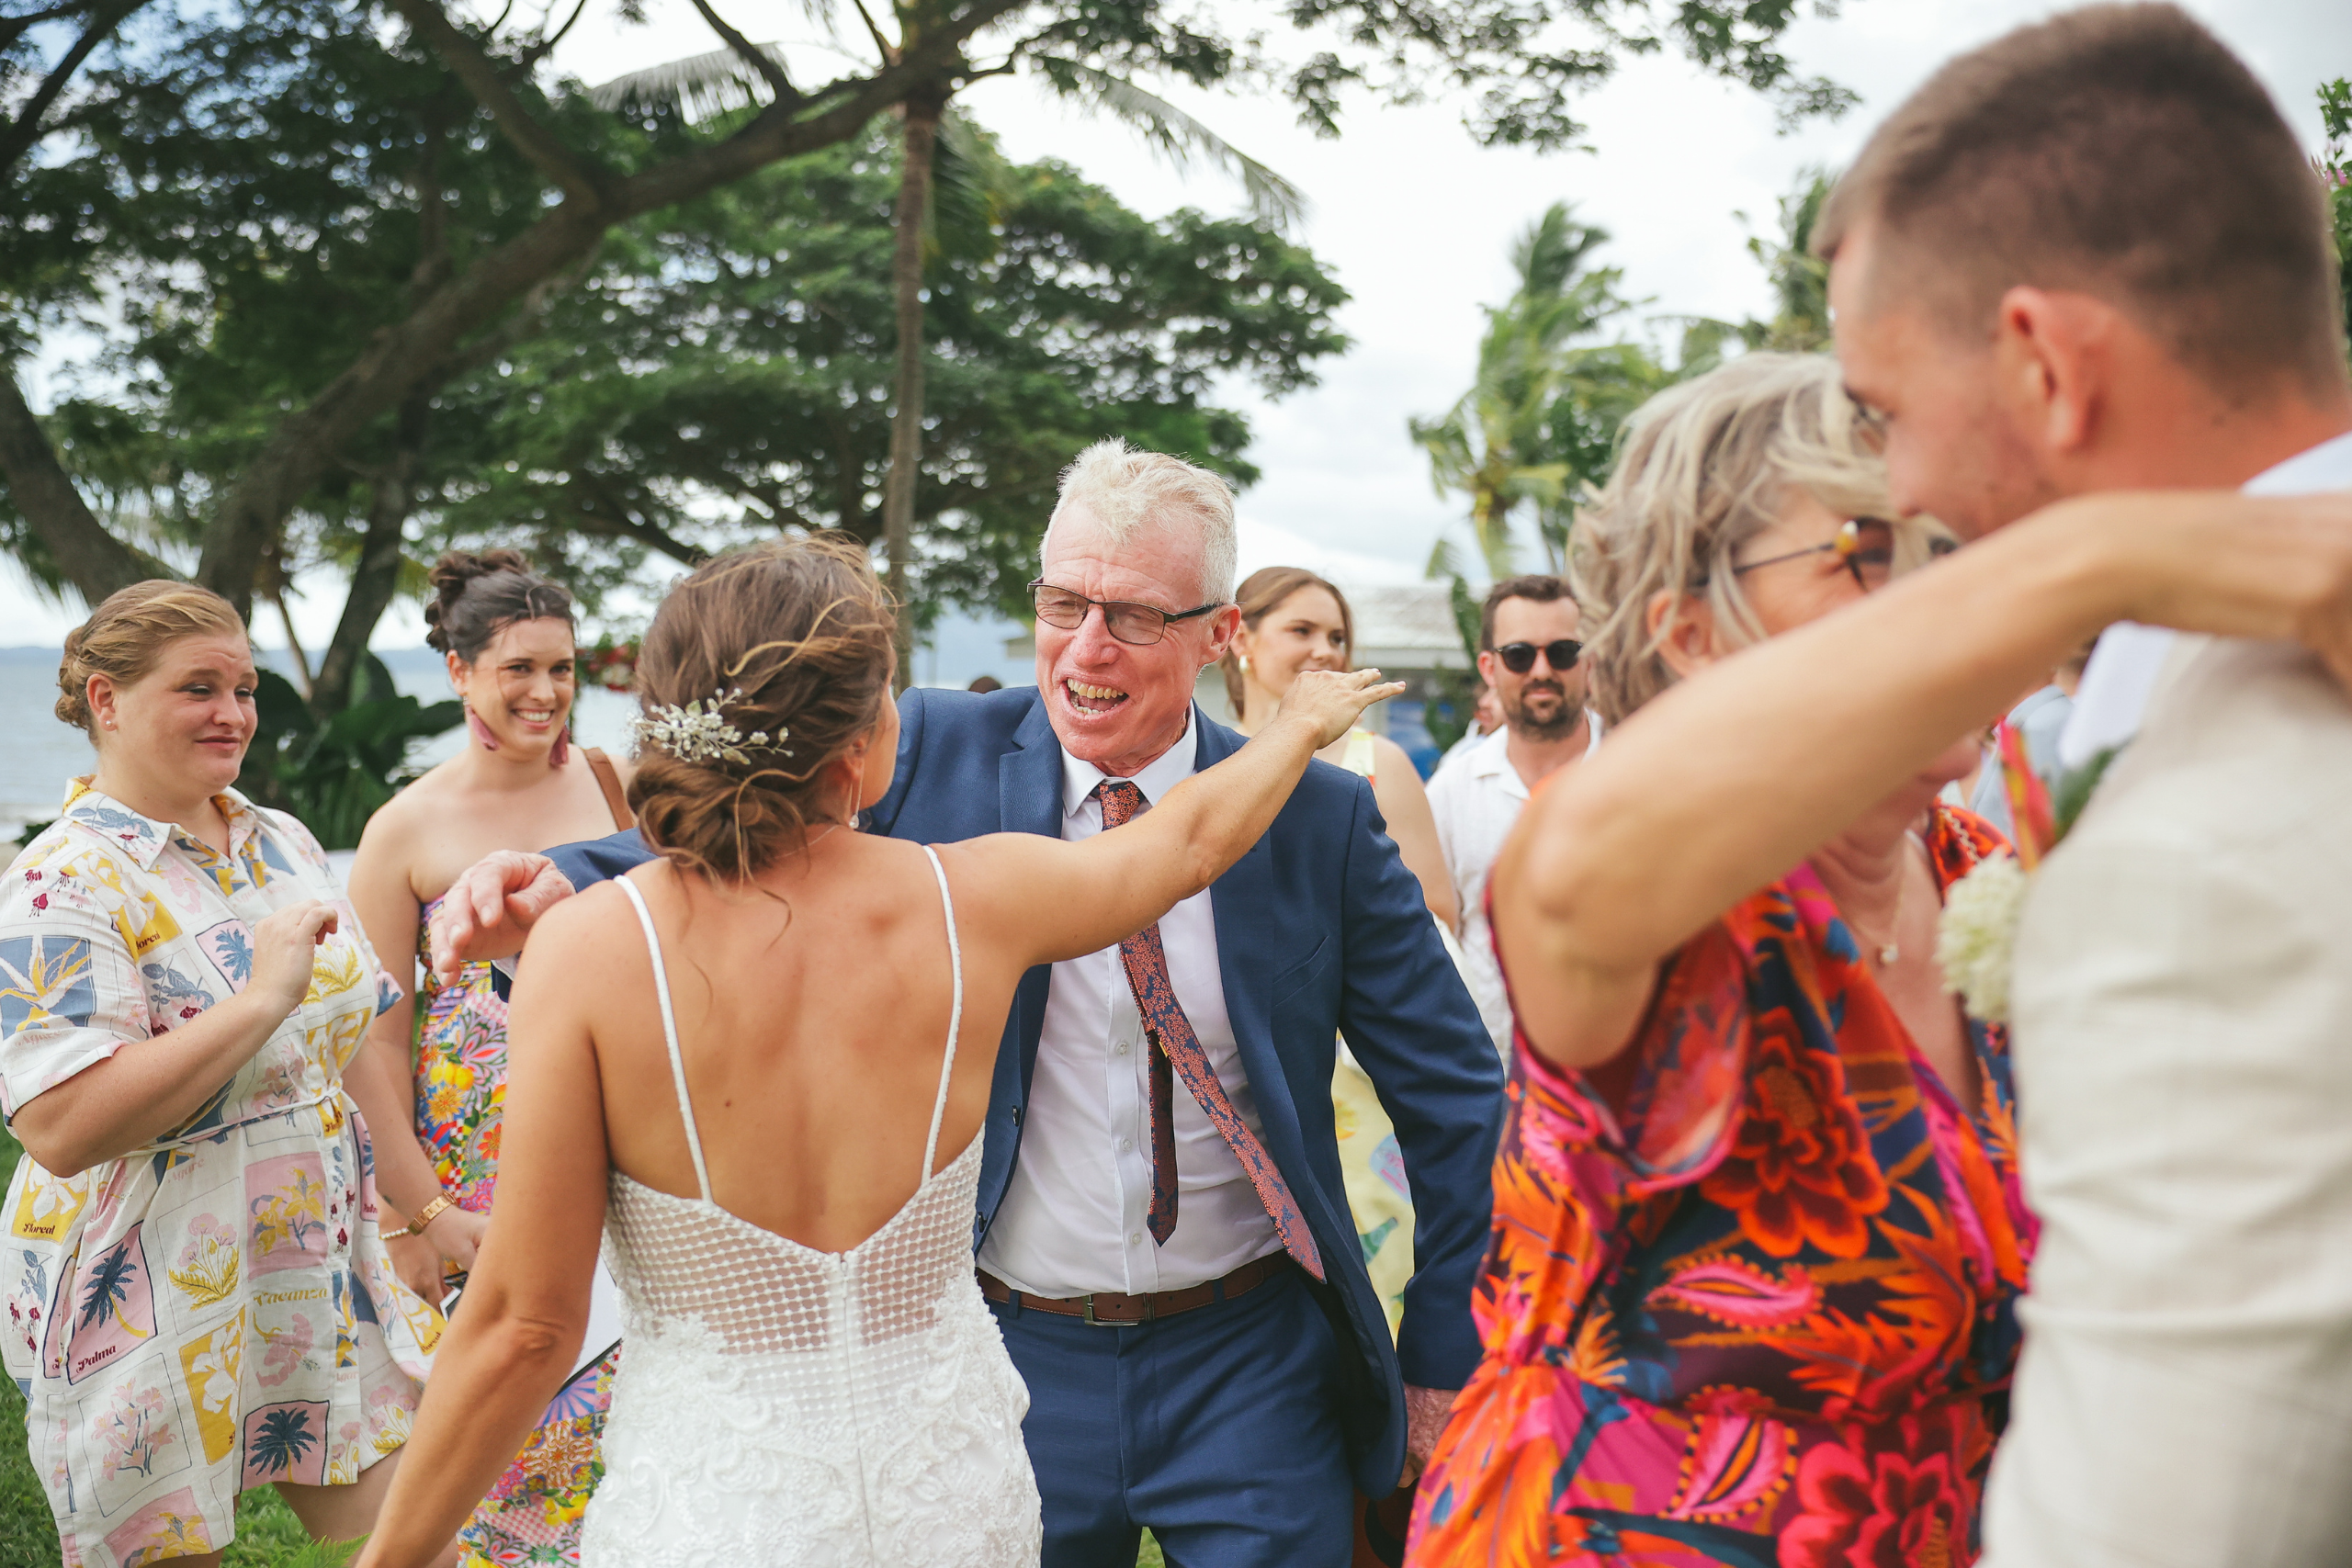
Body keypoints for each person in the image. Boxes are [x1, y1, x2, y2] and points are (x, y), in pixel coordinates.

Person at [424, 441, 1507, 1568]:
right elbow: (749, 803)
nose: (1086, 647)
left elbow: (1457, 1098)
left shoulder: (1320, 817)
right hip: (1002, 1356)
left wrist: (1444, 1350)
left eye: (1133, 616)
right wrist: (563, 879)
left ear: (1218, 633)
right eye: (1062, 603)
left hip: (1253, 1361)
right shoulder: (924, 748)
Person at [1810, 8, 2352, 1562]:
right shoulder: (2188, 681)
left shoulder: (2210, 835)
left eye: (1886, 412)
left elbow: (2170, 1518)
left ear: (2045, 363)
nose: (1901, 488)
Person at [1406, 354, 2039, 1565]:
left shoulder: (1985, 874)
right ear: (1691, 632)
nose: (1941, 594)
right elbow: (1575, 851)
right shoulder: (1643, 892)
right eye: (1869, 552)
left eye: (1951, 549)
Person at [0, 582, 442, 1568]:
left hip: (315, 1261)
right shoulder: (60, 880)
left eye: (244, 688)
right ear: (107, 700)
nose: (234, 713)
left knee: (428, 1531)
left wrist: (424, 1214)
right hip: (144, 1283)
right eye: (198, 687)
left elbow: (346, 1045)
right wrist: (258, 1001)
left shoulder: (280, 839)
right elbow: (61, 1128)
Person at [345, 550, 634, 1566]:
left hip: (616, 1131)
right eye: (519, 668)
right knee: (505, 1430)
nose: (546, 692)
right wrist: (413, 1215)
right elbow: (373, 1039)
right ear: (460, 671)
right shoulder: (404, 828)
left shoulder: (612, 785)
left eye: (562, 669)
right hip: (477, 1177)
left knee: (620, 1419)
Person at [1220, 565, 1459, 1343]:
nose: (1325, 649)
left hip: (1356, 1083)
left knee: (1374, 1287)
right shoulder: (1207, 769)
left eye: (1337, 635)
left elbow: (1436, 921)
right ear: (1240, 638)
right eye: (1302, 630)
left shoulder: (1377, 764)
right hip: (1236, 1079)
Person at [1426, 576, 1598, 1054]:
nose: (1542, 670)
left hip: (1626, 1071)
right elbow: (1438, 936)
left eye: (1563, 652)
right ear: (1489, 666)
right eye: (1520, 655)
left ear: (1589, 659)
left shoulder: (1641, 765)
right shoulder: (1451, 790)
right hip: (1493, 1069)